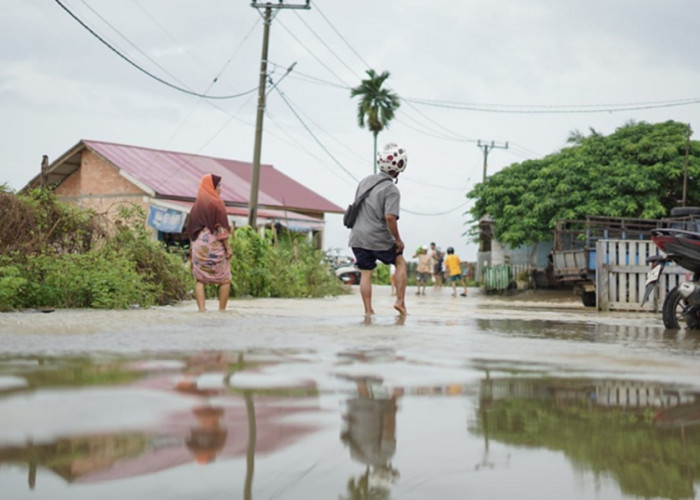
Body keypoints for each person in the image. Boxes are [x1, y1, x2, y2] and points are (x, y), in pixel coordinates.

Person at [348, 143, 408, 316]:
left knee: (366, 272)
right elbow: (390, 217)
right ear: (400, 166)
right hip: (378, 237)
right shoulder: (391, 189)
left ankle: (368, 311)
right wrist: (398, 240)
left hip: (357, 237)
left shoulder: (364, 182)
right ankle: (400, 302)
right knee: (400, 262)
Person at [186, 174, 233, 312]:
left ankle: (201, 311)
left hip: (198, 247)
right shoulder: (217, 203)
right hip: (213, 247)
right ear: (211, 187)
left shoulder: (196, 206)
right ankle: (222, 311)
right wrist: (228, 248)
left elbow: (191, 229)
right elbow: (221, 229)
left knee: (200, 280)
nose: (220, 189)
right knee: (225, 279)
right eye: (218, 186)